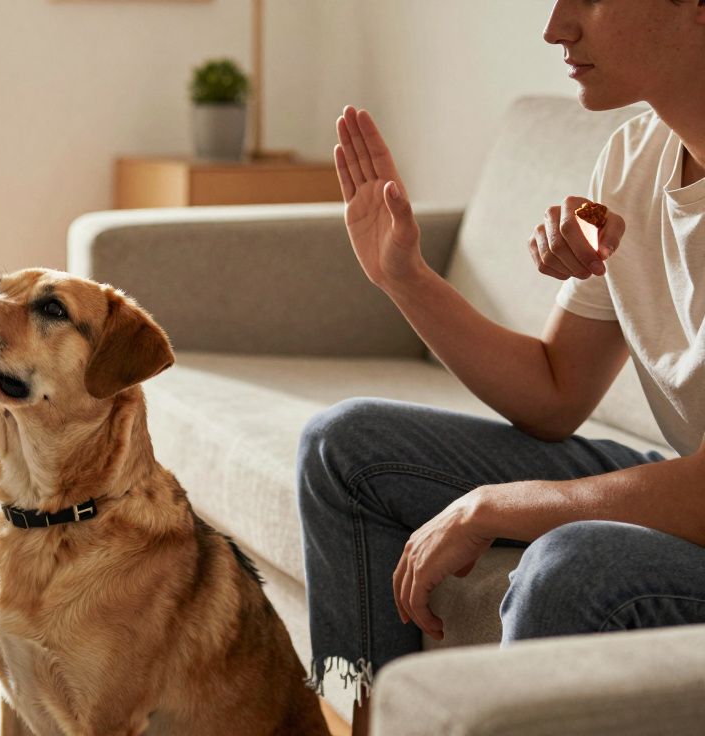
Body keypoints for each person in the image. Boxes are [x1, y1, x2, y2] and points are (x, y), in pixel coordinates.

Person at [297, 1, 705, 733]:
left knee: (578, 565)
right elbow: (553, 393)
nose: (556, 27)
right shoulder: (631, 157)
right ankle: (363, 725)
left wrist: (495, 504)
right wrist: (406, 278)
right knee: (344, 448)